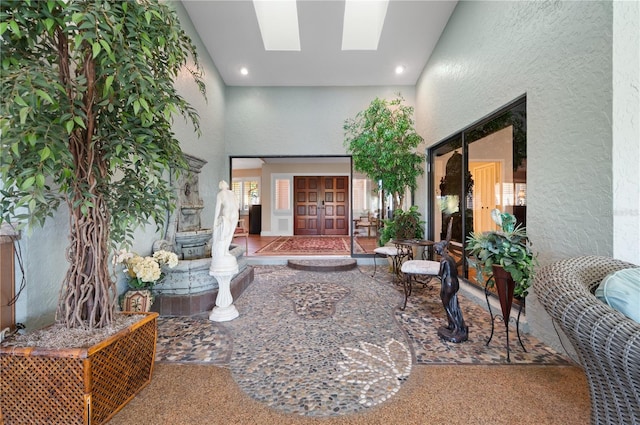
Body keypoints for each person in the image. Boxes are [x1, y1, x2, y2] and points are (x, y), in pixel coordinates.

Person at [434, 241, 469, 343]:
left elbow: (440, 273)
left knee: (447, 305)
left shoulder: (443, 260)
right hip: (455, 283)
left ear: (439, 249)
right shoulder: (451, 258)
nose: (436, 252)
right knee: (454, 304)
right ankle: (453, 325)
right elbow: (456, 271)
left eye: (436, 250)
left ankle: (457, 327)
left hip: (448, 284)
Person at [212, 180, 239, 258]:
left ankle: (225, 250)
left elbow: (218, 208)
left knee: (228, 233)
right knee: (229, 233)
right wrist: (215, 220)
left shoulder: (221, 194)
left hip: (229, 212)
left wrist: (215, 220)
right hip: (233, 213)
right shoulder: (230, 193)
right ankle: (224, 251)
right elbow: (237, 205)